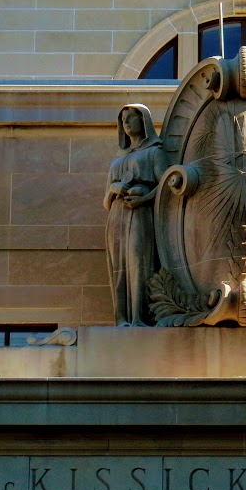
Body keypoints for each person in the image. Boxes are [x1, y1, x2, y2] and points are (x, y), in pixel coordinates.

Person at [104, 104, 168, 326]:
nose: (126, 123)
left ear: (144, 120)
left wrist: (145, 198)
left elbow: (166, 187)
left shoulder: (155, 151)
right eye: (123, 119)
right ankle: (122, 318)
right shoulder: (119, 157)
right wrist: (113, 189)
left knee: (138, 263)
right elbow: (105, 201)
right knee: (118, 266)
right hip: (117, 216)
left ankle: (140, 318)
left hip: (140, 214)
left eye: (131, 117)